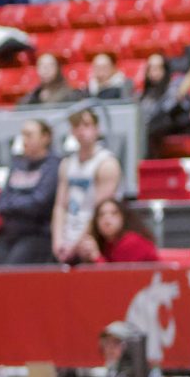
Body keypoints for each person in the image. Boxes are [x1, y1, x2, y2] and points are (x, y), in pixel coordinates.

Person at [52, 107, 122, 264]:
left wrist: (75, 244)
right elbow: (60, 206)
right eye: (77, 126)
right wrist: (57, 240)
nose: (82, 131)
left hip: (91, 237)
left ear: (97, 129)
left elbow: (99, 212)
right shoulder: (67, 163)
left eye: (86, 125)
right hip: (68, 233)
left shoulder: (106, 163)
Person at [0, 120, 60, 265]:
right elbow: (2, 201)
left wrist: (13, 203)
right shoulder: (17, 164)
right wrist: (19, 202)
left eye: (29, 135)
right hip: (9, 234)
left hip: (38, 235)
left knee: (11, 273)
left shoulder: (53, 166)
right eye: (23, 135)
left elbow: (39, 202)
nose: (24, 140)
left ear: (45, 137)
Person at [75, 198, 157, 263]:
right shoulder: (106, 244)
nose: (107, 218)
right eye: (101, 215)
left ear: (123, 218)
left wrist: (96, 256)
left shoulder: (131, 241)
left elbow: (118, 279)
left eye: (114, 213)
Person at [19, 52, 86, 106]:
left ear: (58, 69)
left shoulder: (71, 95)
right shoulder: (32, 97)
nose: (46, 70)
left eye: (50, 66)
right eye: (42, 66)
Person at [137, 52, 176, 124]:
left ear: (165, 70)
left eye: (157, 68)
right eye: (150, 68)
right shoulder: (142, 94)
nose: (153, 72)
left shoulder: (172, 90)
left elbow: (165, 112)